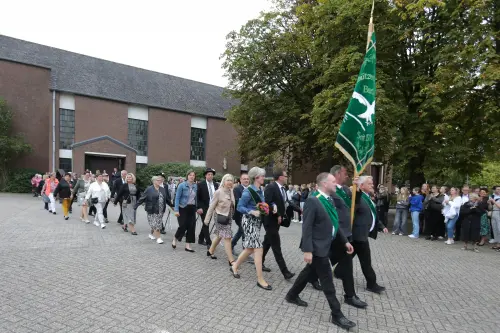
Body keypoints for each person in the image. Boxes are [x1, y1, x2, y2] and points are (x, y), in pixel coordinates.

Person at [285, 172, 356, 330]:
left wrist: (345, 242)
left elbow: (334, 225)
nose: (335, 183)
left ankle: (291, 295)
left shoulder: (329, 200)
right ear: (324, 184)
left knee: (308, 273)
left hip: (327, 244)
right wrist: (308, 250)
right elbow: (307, 227)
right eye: (332, 181)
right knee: (328, 282)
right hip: (317, 248)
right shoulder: (313, 200)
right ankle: (337, 314)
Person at [335, 176, 388, 294]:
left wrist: (381, 226)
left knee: (348, 256)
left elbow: (371, 214)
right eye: (369, 184)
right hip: (358, 235)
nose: (372, 185)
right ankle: (372, 283)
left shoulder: (368, 198)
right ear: (362, 185)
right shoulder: (357, 197)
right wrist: (356, 190)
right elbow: (353, 208)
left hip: (361, 234)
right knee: (366, 261)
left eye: (372, 183)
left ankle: (338, 272)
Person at [230, 167, 271, 290]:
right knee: (258, 249)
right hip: (248, 222)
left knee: (249, 248)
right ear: (256, 178)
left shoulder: (260, 190)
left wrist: (269, 207)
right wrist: (251, 211)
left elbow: (262, 205)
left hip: (257, 222)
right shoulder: (248, 191)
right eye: (262, 176)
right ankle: (260, 279)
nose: (264, 177)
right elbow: (239, 207)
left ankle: (235, 265)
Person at [261, 168, 295, 280]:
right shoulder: (271, 187)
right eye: (285, 176)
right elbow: (266, 204)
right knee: (276, 246)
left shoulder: (283, 189)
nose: (286, 178)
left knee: (267, 243)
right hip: (270, 221)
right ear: (280, 177)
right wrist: (278, 214)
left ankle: (259, 262)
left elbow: (286, 202)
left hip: (277, 222)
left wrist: (300, 210)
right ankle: (285, 272)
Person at [205, 174, 236, 264]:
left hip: (228, 217)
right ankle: (231, 260)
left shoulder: (231, 191)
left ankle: (210, 251)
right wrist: (206, 220)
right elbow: (211, 207)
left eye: (231, 180)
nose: (230, 182)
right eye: (228, 180)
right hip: (220, 217)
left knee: (219, 235)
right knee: (227, 237)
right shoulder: (218, 192)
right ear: (223, 181)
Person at [135, 176, 167, 243]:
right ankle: (158, 238)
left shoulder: (162, 189)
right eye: (158, 180)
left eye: (160, 180)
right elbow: (142, 198)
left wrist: (173, 206)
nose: (160, 181)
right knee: (157, 224)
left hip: (160, 210)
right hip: (151, 209)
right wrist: (136, 205)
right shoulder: (149, 189)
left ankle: (151, 234)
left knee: (156, 223)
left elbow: (167, 199)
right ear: (154, 181)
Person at [173, 170, 198, 252]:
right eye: (190, 175)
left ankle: (188, 245)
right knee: (182, 225)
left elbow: (196, 198)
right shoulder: (182, 185)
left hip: (192, 208)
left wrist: (197, 208)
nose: (192, 176)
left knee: (191, 226)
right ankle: (175, 238)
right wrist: (176, 210)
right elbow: (177, 198)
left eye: (193, 175)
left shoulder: (196, 186)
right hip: (182, 207)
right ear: (187, 176)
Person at [197, 168, 218, 247]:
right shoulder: (200, 184)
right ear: (205, 175)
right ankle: (209, 242)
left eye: (211, 174)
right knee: (206, 223)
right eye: (208, 174)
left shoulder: (216, 185)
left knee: (206, 223)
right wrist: (198, 207)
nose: (210, 176)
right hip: (204, 207)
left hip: (213, 207)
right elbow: (197, 197)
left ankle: (200, 239)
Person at [231, 172, 250, 256]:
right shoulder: (237, 189)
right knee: (244, 231)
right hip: (239, 215)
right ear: (240, 180)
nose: (246, 180)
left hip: (248, 215)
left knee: (241, 231)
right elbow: (238, 201)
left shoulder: (251, 189)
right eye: (244, 179)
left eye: (247, 179)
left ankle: (231, 245)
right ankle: (245, 252)